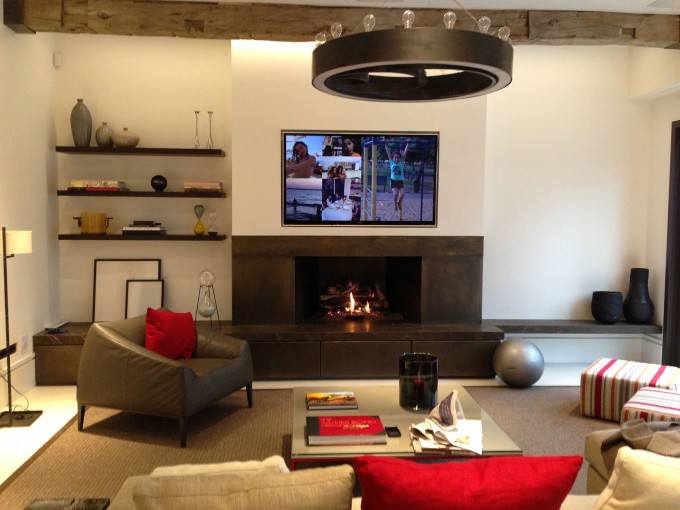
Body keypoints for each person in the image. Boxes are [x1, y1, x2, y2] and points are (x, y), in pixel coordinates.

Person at [385, 142, 409, 211]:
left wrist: (408, 144)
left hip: (400, 181)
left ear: (400, 158)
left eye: (398, 158)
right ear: (393, 158)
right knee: (395, 194)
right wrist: (385, 144)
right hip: (393, 181)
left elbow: (405, 153)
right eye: (395, 158)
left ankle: (399, 202)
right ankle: (395, 204)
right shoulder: (391, 162)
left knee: (403, 194)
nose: (396, 159)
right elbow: (388, 152)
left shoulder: (401, 162)